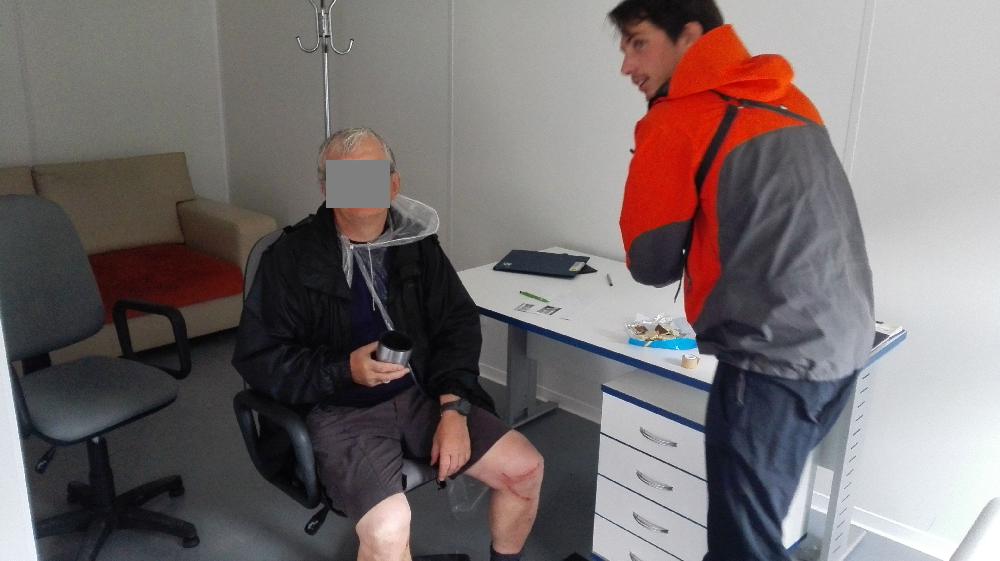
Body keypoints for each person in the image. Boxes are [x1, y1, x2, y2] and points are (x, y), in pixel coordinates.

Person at [608, 1, 875, 560]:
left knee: (742, 544)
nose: (627, 65)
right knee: (755, 521)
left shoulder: (679, 119)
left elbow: (650, 263)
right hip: (844, 341)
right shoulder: (789, 99)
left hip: (771, 356)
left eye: (638, 43)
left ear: (689, 36)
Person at [233, 127, 543, 561]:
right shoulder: (290, 259)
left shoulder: (417, 246)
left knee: (524, 469)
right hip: (338, 409)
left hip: (423, 392)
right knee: (387, 529)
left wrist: (453, 408)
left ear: (394, 184)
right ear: (326, 189)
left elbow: (456, 324)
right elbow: (260, 358)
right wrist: (344, 369)